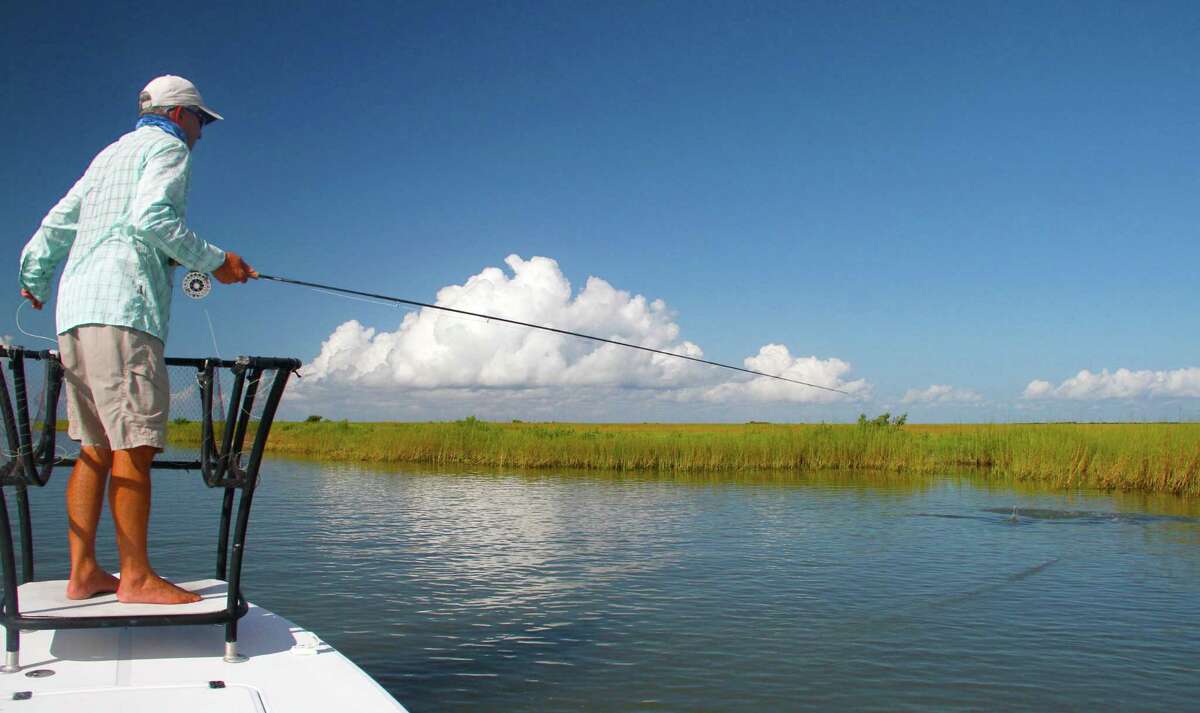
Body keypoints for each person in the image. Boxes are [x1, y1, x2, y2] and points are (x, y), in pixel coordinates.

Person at [17, 75, 257, 605]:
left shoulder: (109, 156)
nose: (201, 133)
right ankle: (137, 577)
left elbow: (57, 222)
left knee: (94, 446)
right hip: (125, 311)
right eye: (200, 121)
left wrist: (34, 277)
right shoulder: (168, 148)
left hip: (75, 313)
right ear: (178, 115)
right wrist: (218, 262)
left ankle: (83, 574)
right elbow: (153, 218)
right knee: (134, 444)